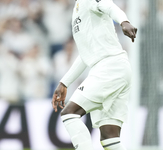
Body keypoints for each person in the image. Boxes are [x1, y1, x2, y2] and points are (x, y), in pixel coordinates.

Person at [52, 0, 137, 149]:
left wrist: (124, 21)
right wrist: (64, 82)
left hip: (109, 67)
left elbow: (109, 6)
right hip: (116, 68)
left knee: (69, 114)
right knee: (109, 137)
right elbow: (85, 55)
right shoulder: (78, 8)